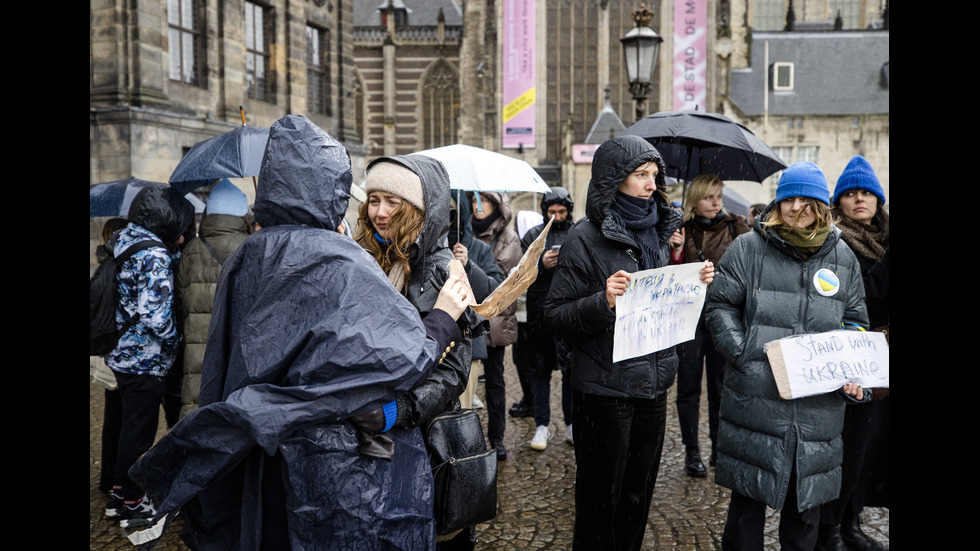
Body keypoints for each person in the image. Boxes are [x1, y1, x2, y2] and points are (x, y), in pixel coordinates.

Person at [128, 115, 474, 550]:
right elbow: (402, 352)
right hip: (335, 453)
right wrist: (438, 321)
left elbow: (449, 368)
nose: (380, 211)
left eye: (393, 202)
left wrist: (400, 410)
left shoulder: (253, 254)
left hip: (326, 442)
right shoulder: (346, 258)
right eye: (374, 199)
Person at [543, 135, 714, 550]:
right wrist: (603, 301)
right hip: (604, 391)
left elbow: (659, 303)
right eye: (640, 175)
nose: (651, 184)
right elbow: (556, 315)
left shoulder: (658, 232)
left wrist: (692, 282)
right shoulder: (584, 238)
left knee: (638, 496)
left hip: (653, 388)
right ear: (613, 180)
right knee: (600, 501)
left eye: (654, 175)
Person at [703, 161, 872, 551]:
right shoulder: (748, 247)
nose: (798, 208)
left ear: (822, 206)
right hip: (756, 400)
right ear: (777, 204)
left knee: (804, 522)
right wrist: (742, 352)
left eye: (808, 200)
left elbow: (855, 321)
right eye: (789, 199)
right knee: (746, 515)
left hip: (818, 409)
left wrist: (849, 370)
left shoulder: (842, 257)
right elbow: (719, 306)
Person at [102, 184, 195, 527]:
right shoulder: (153, 254)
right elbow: (156, 316)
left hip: (122, 354)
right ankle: (132, 500)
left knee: (127, 427)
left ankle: (116, 495)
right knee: (139, 432)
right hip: (144, 358)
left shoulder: (127, 240)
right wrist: (176, 338)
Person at [816, 155, 890, 551]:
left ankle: (852, 523)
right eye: (850, 193)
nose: (859, 199)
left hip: (884, 359)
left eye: (867, 193)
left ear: (878, 200)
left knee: (871, 448)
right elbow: (864, 298)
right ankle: (829, 528)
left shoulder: (885, 238)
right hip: (851, 356)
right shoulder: (834, 241)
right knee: (847, 446)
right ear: (838, 202)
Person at [667, 174, 751, 477]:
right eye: (709, 197)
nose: (716, 202)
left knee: (720, 387)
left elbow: (749, 270)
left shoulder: (736, 226)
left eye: (719, 196)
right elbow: (668, 280)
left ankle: (719, 447)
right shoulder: (680, 229)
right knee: (688, 387)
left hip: (724, 317)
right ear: (694, 200)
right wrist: (675, 251)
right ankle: (692, 452)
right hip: (689, 318)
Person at [174, 179, 253, 420]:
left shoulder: (191, 249)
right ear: (242, 214)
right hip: (238, 347)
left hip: (197, 349)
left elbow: (180, 297)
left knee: (197, 408)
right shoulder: (252, 248)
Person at [469, 191, 523, 460]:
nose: (477, 206)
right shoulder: (462, 233)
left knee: (494, 382)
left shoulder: (508, 239)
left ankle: (497, 438)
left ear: (495, 205)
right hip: (466, 322)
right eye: (473, 200)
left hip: (494, 324)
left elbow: (506, 288)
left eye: (483, 201)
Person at [522, 186, 576, 450]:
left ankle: (571, 422)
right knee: (541, 371)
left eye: (561, 211)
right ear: (544, 211)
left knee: (571, 371)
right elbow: (520, 274)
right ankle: (541, 424)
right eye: (552, 212)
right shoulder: (534, 236)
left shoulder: (578, 233)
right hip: (540, 315)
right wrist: (540, 265)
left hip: (569, 312)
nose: (556, 216)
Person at [448, 191, 505, 411]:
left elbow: (494, 290)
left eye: (451, 215)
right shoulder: (426, 246)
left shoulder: (478, 249)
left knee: (460, 414)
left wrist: (468, 265)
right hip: (433, 344)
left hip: (466, 343)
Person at [509, 209, 546, 419]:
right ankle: (530, 399)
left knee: (525, 361)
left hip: (525, 316)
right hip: (524, 315)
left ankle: (532, 402)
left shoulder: (529, 253)